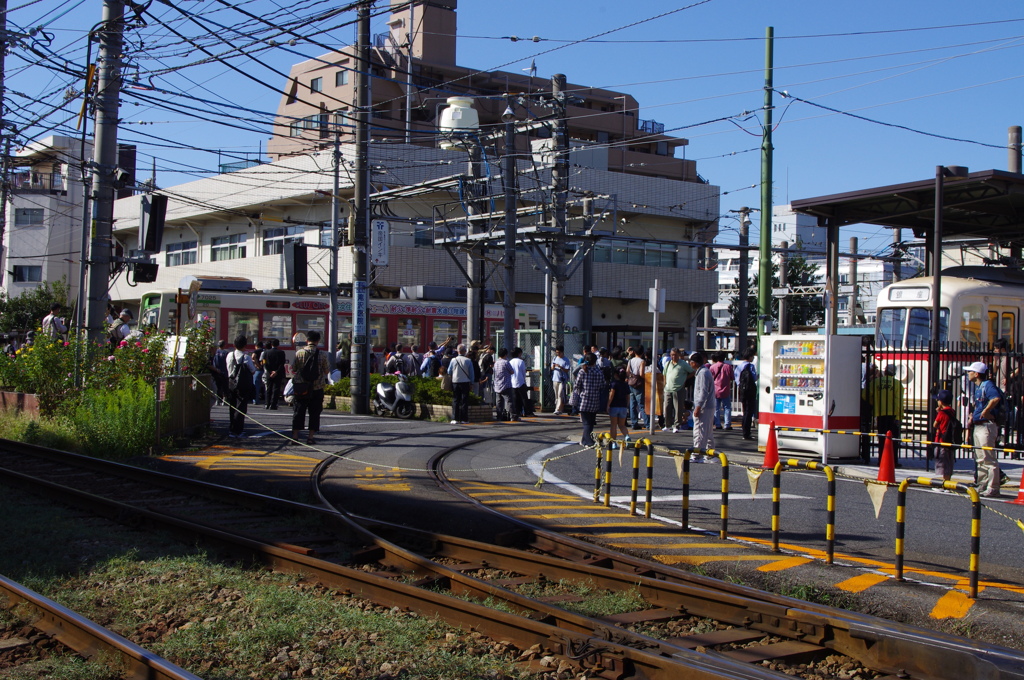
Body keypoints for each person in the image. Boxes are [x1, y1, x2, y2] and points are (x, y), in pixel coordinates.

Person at [965, 361, 1003, 497]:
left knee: (988, 458)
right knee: (980, 457)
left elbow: (996, 398)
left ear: (976, 374)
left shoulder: (988, 385)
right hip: (979, 424)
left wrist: (986, 411)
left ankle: (993, 487)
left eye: (970, 371)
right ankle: (982, 483)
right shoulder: (979, 387)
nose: (968, 374)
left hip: (986, 425)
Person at [291, 330, 331, 445]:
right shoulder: (322, 355)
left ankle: (295, 436)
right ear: (318, 341)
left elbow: (293, 368)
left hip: (301, 388)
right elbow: (327, 370)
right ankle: (310, 437)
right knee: (314, 413)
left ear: (307, 340)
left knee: (298, 411)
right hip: (317, 387)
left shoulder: (299, 353)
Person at [862, 363, 904, 464]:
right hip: (893, 414)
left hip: (880, 413)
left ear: (885, 371)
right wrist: (899, 416)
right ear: (894, 373)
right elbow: (899, 402)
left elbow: (865, 395)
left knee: (881, 438)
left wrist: (874, 403)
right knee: (893, 439)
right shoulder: (897, 384)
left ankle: (881, 460)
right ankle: (893, 461)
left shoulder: (876, 382)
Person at [571, 352, 607, 447]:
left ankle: (589, 442)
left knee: (586, 423)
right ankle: (584, 440)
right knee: (590, 422)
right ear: (595, 361)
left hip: (584, 400)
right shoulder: (599, 372)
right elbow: (603, 385)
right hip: (595, 400)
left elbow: (576, 385)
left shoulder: (583, 372)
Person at [225, 335, 256, 437]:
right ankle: (238, 430)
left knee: (232, 405)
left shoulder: (229, 355)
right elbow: (252, 370)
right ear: (245, 345)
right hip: (242, 384)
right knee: (241, 406)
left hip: (231, 382)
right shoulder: (246, 357)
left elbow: (228, 368)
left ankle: (231, 428)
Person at [690, 352, 716, 460]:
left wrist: (698, 406)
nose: (689, 364)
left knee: (699, 431)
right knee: (708, 432)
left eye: (690, 362)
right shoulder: (704, 371)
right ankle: (710, 455)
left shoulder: (702, 373)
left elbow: (703, 391)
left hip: (704, 407)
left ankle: (697, 455)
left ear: (694, 363)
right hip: (708, 406)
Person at [932, 389, 959, 482]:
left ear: (941, 401)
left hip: (941, 440)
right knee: (949, 462)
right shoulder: (952, 411)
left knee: (941, 463)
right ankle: (948, 480)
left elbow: (935, 425)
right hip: (949, 440)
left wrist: (938, 412)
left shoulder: (941, 413)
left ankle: (943, 483)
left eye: (938, 400)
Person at [662, 349, 690, 433]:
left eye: (674, 354)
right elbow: (664, 374)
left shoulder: (683, 364)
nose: (673, 356)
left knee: (678, 408)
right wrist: (665, 384)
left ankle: (676, 425)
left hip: (678, 388)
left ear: (678, 355)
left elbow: (692, 371)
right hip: (668, 388)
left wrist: (684, 379)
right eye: (671, 355)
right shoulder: (668, 364)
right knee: (667, 407)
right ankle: (667, 425)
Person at [734, 348, 759, 441]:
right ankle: (746, 433)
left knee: (745, 411)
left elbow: (736, 379)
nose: (753, 358)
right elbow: (754, 378)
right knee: (749, 411)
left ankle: (744, 430)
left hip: (742, 390)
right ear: (750, 356)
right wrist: (758, 376)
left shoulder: (739, 366)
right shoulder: (750, 366)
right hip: (750, 391)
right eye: (752, 356)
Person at [448, 343, 476, 424]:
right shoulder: (468, 360)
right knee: (464, 400)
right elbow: (471, 374)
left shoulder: (453, 360)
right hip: (465, 382)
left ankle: (455, 418)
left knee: (456, 400)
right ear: (464, 351)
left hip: (455, 382)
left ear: (457, 351)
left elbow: (449, 371)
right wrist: (472, 383)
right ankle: (464, 419)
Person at [709, 352, 735, 430]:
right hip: (725, 390)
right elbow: (732, 377)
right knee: (727, 407)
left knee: (716, 408)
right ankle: (727, 424)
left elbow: (710, 379)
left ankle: (718, 424)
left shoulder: (712, 367)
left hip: (715, 390)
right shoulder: (728, 367)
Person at [607, 366, 631, 447]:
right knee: (622, 425)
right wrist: (627, 405)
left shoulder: (614, 384)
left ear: (616, 375)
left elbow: (611, 395)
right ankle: (627, 437)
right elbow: (628, 396)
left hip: (614, 406)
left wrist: (608, 405)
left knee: (613, 425)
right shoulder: (625, 384)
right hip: (623, 407)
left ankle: (614, 443)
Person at [626, 346, 648, 429]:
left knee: (632, 404)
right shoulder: (642, 361)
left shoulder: (630, 360)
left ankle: (634, 423)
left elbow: (627, 371)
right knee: (641, 404)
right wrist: (648, 378)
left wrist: (631, 377)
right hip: (639, 383)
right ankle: (647, 423)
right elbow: (642, 374)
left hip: (631, 383)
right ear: (642, 353)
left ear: (634, 352)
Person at [263, 338, 287, 409]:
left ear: (271, 344)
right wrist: (276, 371)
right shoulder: (281, 352)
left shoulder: (266, 352)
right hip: (278, 373)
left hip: (269, 373)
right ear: (278, 344)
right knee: (276, 389)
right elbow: (282, 363)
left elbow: (264, 363)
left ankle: (267, 403)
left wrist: (270, 371)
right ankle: (273, 404)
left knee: (269, 388)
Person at [493, 348, 515, 421]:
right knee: (509, 401)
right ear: (505, 354)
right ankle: (512, 416)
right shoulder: (506, 362)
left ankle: (499, 416)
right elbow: (512, 371)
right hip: (506, 384)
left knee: (499, 403)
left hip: (497, 385)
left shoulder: (496, 363)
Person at [510, 347, 531, 417]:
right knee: (524, 398)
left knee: (515, 398)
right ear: (519, 353)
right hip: (521, 381)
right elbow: (523, 372)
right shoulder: (521, 361)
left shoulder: (510, 362)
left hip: (512, 382)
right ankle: (526, 411)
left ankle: (516, 411)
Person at [550, 345, 571, 415]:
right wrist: (553, 366)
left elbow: (567, 370)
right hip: (555, 378)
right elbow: (552, 368)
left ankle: (557, 409)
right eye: (556, 352)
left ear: (562, 352)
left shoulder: (566, 360)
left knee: (560, 394)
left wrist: (561, 367)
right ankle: (560, 408)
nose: (557, 354)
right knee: (556, 394)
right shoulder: (555, 358)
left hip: (562, 379)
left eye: (559, 352)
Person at [212, 339, 230, 405]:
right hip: (224, 372)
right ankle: (224, 400)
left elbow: (213, 362)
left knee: (218, 387)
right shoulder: (226, 353)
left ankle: (217, 400)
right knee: (225, 387)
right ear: (224, 345)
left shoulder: (215, 352)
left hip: (216, 371)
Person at [251, 341, 266, 405]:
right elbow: (264, 360)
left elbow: (253, 357)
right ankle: (266, 401)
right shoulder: (265, 351)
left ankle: (256, 400)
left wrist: (257, 364)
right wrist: (262, 364)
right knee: (265, 387)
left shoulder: (256, 351)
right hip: (264, 371)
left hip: (257, 371)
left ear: (256, 346)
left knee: (256, 387)